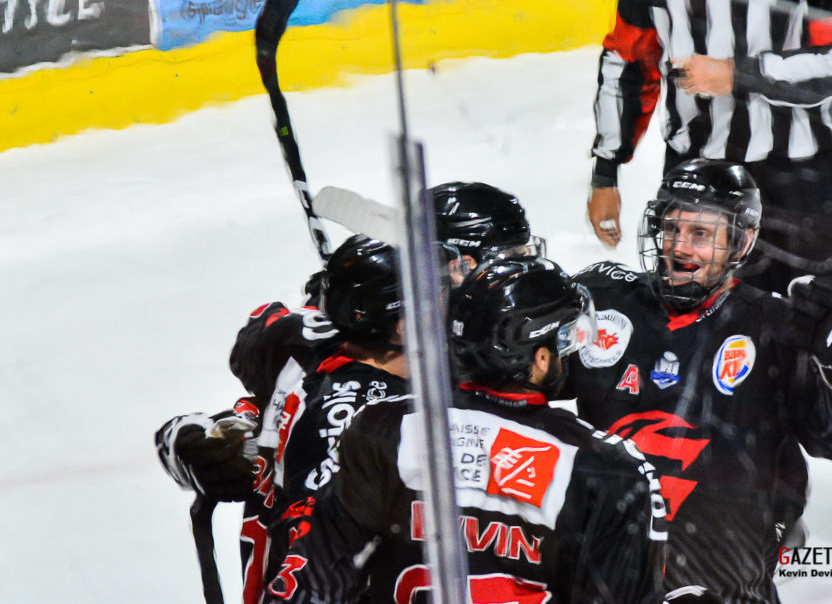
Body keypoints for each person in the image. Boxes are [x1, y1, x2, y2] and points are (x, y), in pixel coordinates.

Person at [585, 0, 832, 550]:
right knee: (719, 342)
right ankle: (771, 502)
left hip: (807, 179)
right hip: (698, 180)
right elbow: (630, 54)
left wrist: (739, 74)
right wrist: (607, 166)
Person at [155, 181, 542, 599]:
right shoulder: (347, 380)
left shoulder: (466, 353)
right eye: (510, 260)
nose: (522, 276)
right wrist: (201, 444)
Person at [567, 159, 832, 603]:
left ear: (741, 242)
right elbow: (519, 381)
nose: (680, 246)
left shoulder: (776, 327)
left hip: (723, 578)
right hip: (605, 571)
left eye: (701, 233)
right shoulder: (608, 305)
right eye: (671, 228)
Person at [264, 256, 670, 603]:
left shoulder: (383, 426)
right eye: (565, 340)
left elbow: (314, 581)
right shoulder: (606, 466)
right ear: (541, 358)